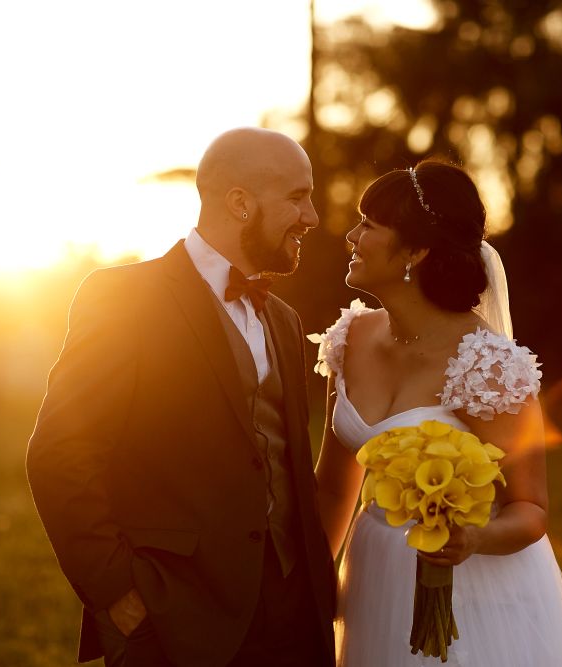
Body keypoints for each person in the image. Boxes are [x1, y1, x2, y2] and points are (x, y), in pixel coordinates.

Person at [26, 127, 336, 666]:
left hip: (293, 619)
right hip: (175, 619)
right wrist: (120, 597)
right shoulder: (124, 298)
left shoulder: (284, 320)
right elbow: (59, 454)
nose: (311, 217)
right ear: (240, 203)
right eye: (297, 196)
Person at [311, 160, 562, 666]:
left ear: (416, 251)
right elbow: (333, 487)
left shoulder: (487, 367)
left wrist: (474, 538)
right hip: (374, 577)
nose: (351, 236)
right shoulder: (349, 340)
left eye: (369, 225)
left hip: (474, 590)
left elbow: (532, 509)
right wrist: (311, 584)